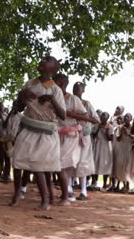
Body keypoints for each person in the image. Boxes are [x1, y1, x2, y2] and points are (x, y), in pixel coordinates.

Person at [10, 56, 66, 210]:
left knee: (39, 166)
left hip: (45, 133)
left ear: (53, 69)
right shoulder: (30, 84)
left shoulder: (55, 89)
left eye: (46, 60)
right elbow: (20, 107)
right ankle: (16, 194)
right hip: (28, 129)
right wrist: (22, 95)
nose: (42, 61)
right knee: (17, 162)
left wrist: (52, 100)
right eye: (42, 59)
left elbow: (63, 115)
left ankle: (45, 200)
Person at [53, 73, 87, 202]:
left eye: (54, 82)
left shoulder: (73, 99)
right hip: (55, 134)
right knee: (57, 163)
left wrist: (67, 114)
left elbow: (83, 115)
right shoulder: (53, 97)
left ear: (61, 84)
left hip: (69, 135)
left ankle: (68, 193)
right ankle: (66, 192)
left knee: (62, 163)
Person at [72, 82, 100, 200]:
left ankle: (83, 191)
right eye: (74, 88)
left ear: (82, 91)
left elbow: (96, 120)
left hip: (84, 135)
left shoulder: (86, 104)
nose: (75, 91)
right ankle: (69, 189)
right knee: (70, 161)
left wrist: (84, 119)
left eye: (78, 89)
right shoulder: (69, 100)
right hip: (71, 135)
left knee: (82, 162)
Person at [93, 112, 114, 191]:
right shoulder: (96, 126)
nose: (102, 117)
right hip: (98, 145)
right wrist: (99, 128)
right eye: (101, 115)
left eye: (104, 116)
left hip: (106, 147)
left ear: (107, 118)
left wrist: (105, 130)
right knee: (96, 163)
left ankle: (105, 184)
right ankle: (94, 182)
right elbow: (94, 136)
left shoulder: (110, 127)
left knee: (105, 165)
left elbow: (110, 138)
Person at [114, 113, 134, 192]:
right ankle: (124, 185)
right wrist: (122, 133)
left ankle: (128, 185)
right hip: (122, 148)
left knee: (128, 167)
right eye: (125, 117)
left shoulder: (133, 127)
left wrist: (128, 134)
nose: (126, 118)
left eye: (128, 117)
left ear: (131, 119)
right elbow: (118, 139)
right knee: (121, 166)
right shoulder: (121, 127)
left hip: (129, 148)